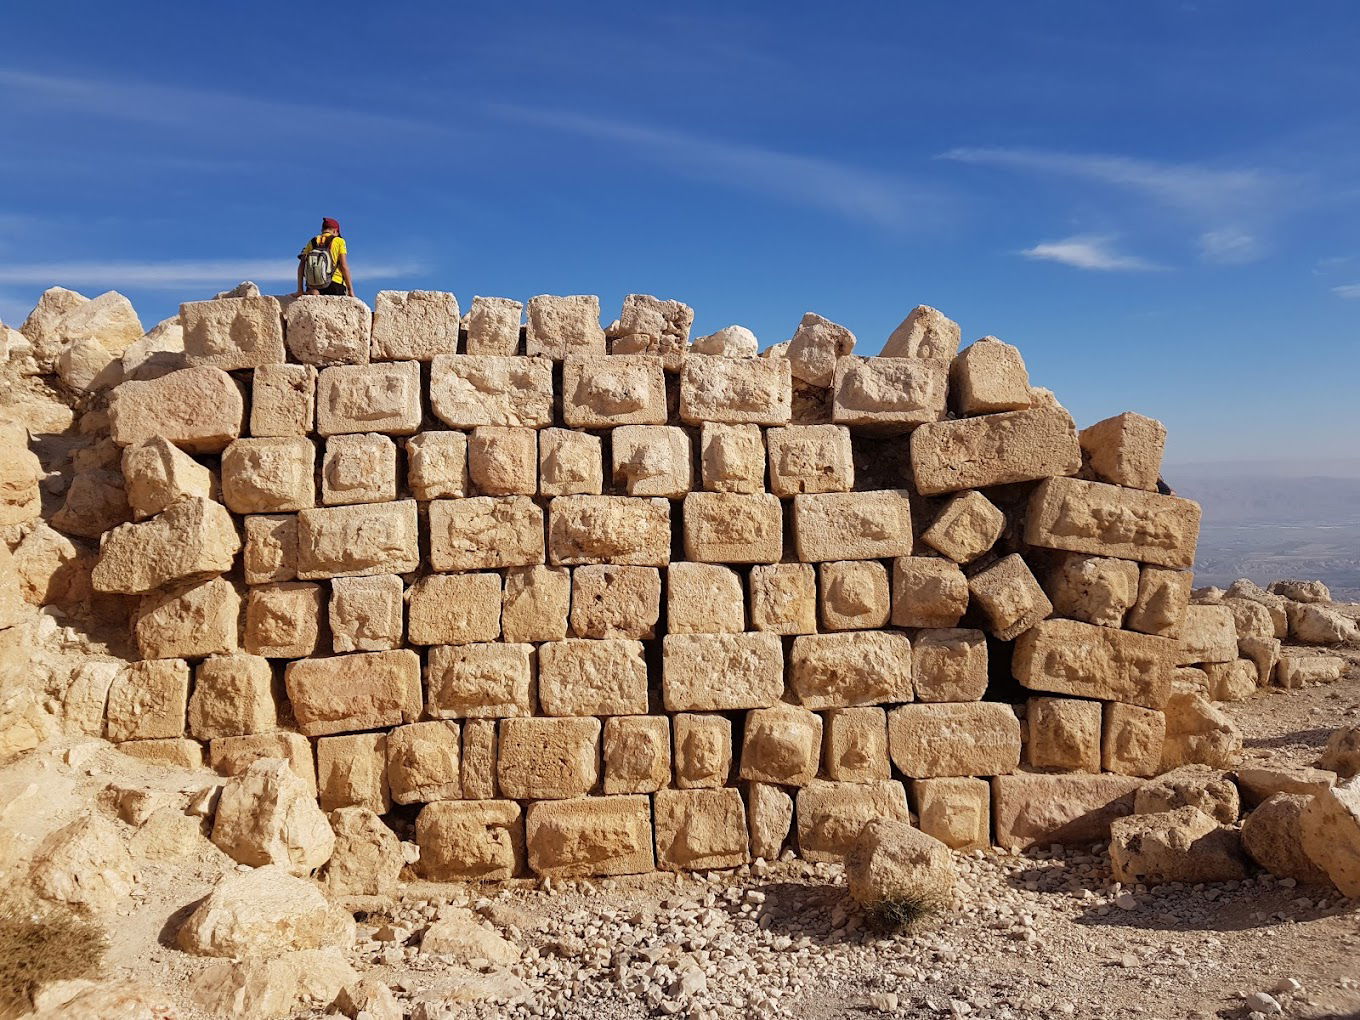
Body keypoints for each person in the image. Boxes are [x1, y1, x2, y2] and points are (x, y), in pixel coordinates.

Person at [296, 217, 353, 296]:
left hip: (313, 283)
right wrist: (350, 290)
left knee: (314, 292)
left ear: (322, 230)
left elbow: (302, 265)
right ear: (335, 231)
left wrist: (300, 290)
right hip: (335, 284)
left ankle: (314, 292)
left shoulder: (312, 241)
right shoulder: (339, 241)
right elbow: (344, 266)